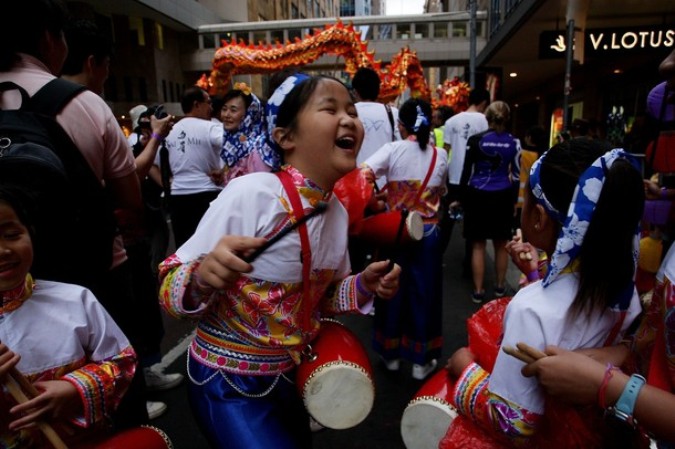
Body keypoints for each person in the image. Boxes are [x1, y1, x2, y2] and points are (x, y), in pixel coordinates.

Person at [158, 74, 401, 449]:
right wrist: (201, 277)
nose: (349, 119)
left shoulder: (335, 211)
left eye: (351, 110)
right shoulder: (253, 193)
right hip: (227, 381)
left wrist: (363, 285)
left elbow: (322, 298)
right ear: (285, 137)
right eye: (330, 108)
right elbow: (168, 280)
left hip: (291, 375)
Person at [0, 0, 148, 427]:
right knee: (118, 402)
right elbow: (129, 197)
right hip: (91, 276)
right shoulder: (80, 103)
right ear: (49, 37)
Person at [445, 139, 644, 446]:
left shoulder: (531, 309)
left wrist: (464, 370)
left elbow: (514, 424)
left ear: (537, 218)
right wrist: (536, 274)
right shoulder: (623, 290)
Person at [0, 187, 137, 448]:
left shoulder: (75, 300)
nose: (2, 251)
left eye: (11, 235)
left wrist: (75, 389)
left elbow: (124, 361)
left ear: (30, 232)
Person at [361, 98, 448, 380]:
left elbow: (363, 173)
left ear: (400, 126)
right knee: (425, 294)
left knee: (390, 289)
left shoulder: (392, 149)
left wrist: (379, 198)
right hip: (429, 233)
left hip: (396, 231)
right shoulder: (440, 155)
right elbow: (441, 191)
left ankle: (391, 354)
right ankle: (421, 361)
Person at [457, 101, 520, 303]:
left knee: (478, 244)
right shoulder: (515, 142)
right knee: (502, 244)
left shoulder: (475, 140)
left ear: (487, 118)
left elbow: (467, 172)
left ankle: (478, 290)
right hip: (503, 194)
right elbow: (516, 177)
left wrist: (461, 199)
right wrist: (513, 203)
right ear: (507, 118)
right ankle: (500, 288)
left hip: (478, 194)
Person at [154, 85, 224, 248]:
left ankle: (184, 274)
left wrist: (167, 184)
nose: (211, 107)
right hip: (207, 194)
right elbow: (233, 148)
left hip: (178, 196)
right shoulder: (211, 128)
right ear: (196, 104)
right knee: (209, 246)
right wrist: (223, 170)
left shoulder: (170, 131)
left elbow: (152, 164)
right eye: (208, 102)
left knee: (184, 247)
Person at [443, 87, 491, 278]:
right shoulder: (484, 121)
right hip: (475, 178)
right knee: (472, 223)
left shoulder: (451, 121)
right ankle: (469, 265)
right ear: (483, 103)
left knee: (446, 221)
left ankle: (436, 255)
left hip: (454, 176)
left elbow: (445, 152)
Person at [219, 82, 270, 186]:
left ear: (249, 114)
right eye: (224, 109)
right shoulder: (231, 143)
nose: (226, 115)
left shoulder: (258, 149)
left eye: (233, 110)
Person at [352, 67, 401, 166]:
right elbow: (401, 147)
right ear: (378, 90)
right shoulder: (392, 113)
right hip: (385, 179)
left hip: (356, 177)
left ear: (355, 92)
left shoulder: (349, 113)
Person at [61, 18, 112, 96]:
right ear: (92, 63)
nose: (107, 75)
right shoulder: (91, 104)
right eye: (107, 64)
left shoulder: (43, 97)